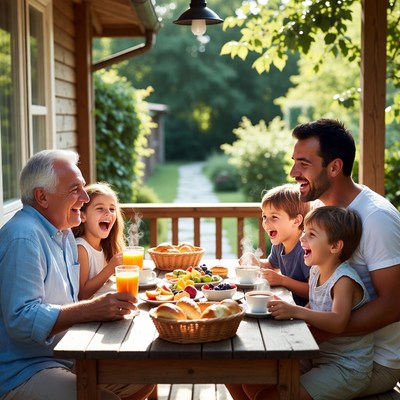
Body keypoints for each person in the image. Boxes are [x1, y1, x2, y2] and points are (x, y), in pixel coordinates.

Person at [0, 150, 155, 400]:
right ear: (42, 197)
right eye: (75, 190)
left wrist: (102, 308)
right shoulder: (24, 238)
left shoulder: (64, 235)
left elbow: (69, 302)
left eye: (83, 188)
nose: (84, 198)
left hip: (66, 355)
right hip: (24, 371)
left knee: (143, 376)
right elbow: (21, 319)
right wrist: (90, 309)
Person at [289, 118, 400, 397]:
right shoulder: (323, 210)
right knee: (244, 374)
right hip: (330, 348)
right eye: (294, 162)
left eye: (304, 163)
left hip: (372, 360)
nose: (293, 172)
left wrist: (317, 335)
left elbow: (394, 305)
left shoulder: (376, 218)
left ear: (335, 167)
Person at [242, 206, 374, 400]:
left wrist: (296, 311)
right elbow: (315, 305)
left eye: (311, 234)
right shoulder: (316, 271)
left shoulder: (344, 280)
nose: (302, 238)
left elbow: (338, 322)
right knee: (250, 380)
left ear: (335, 246)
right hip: (316, 355)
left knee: (267, 396)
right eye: (304, 232)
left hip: (346, 366)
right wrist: (286, 312)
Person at [240, 183, 310, 305]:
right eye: (264, 216)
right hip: (291, 307)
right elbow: (272, 266)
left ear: (296, 220)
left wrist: (283, 281)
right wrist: (255, 262)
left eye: (274, 217)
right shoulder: (279, 245)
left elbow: (313, 291)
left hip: (307, 316)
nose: (266, 223)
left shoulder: (306, 249)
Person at [72, 182, 125, 300]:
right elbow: (82, 294)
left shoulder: (105, 246)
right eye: (100, 208)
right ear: (83, 216)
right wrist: (111, 268)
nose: (108, 213)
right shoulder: (81, 248)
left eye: (112, 209)